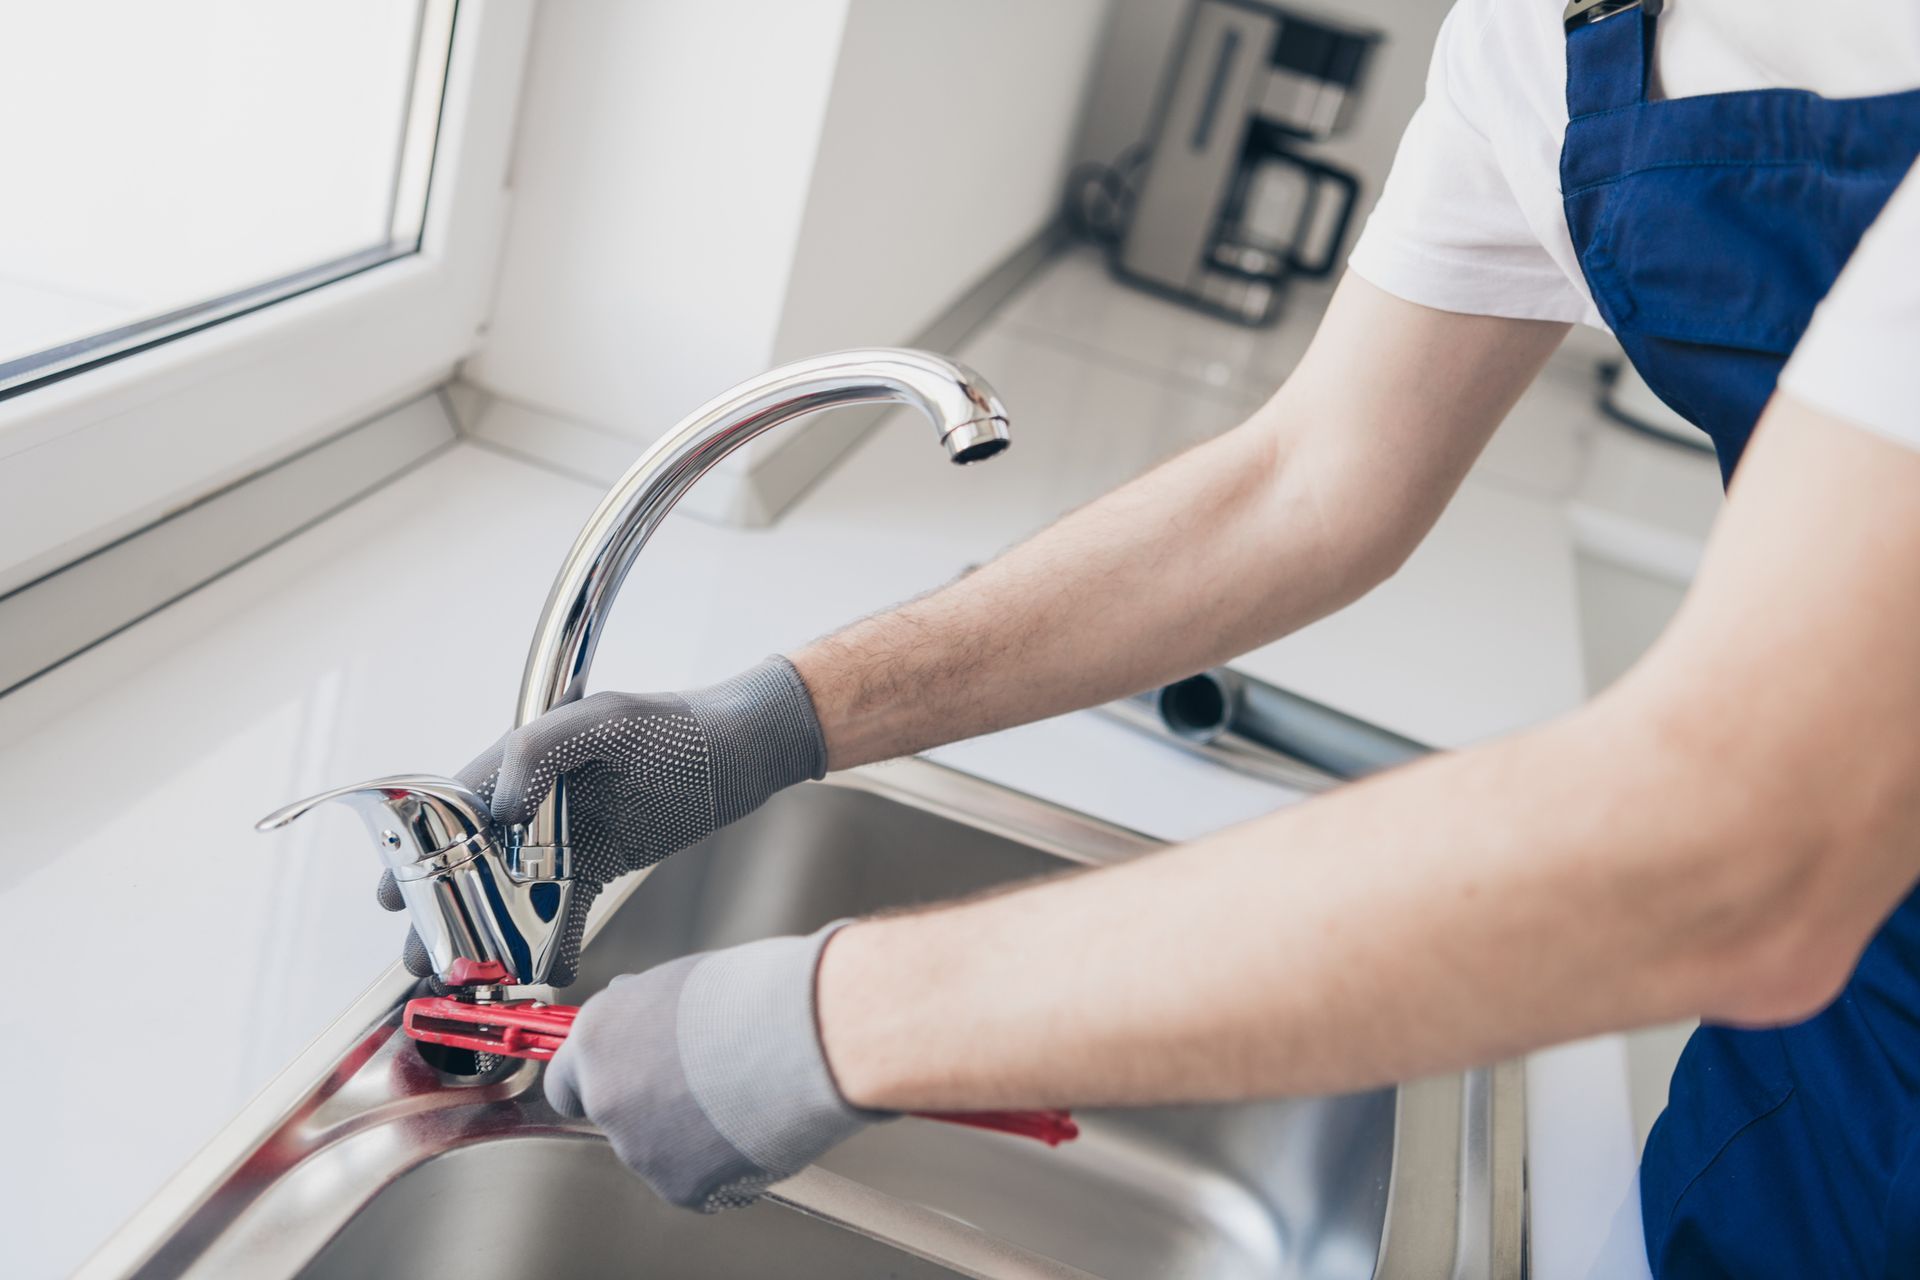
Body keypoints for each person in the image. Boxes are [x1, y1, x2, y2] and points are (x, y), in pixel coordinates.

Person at [406, 0, 1920, 1271]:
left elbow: (1741, 840)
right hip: (1831, 1096)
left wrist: (822, 1021)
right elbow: (1306, 482)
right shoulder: (1551, 31)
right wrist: (775, 718)